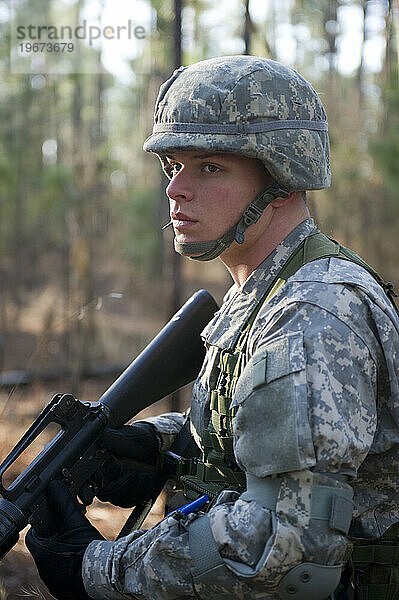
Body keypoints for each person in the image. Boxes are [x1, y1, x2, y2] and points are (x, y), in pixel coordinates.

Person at [26, 56, 399, 600]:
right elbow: (258, 429)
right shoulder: (266, 293)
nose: (177, 189)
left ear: (282, 177)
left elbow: (282, 543)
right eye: (173, 165)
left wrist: (99, 569)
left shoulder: (313, 316)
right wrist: (154, 444)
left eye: (210, 168)